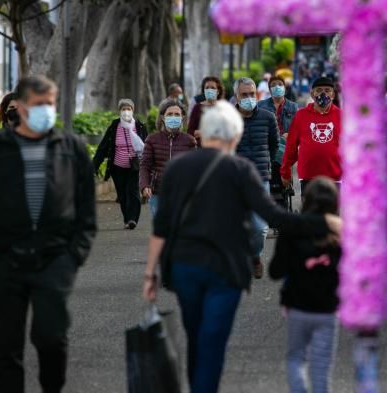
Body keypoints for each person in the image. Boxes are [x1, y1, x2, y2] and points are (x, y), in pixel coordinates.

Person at [142, 101, 341, 393]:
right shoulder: (240, 169)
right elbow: (274, 216)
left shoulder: (177, 169)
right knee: (214, 340)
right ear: (234, 136)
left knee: (195, 336)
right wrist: (324, 223)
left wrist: (150, 273)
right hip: (227, 268)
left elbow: (161, 227)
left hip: (185, 266)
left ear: (204, 132)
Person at [0, 75, 96, 393]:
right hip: (3, 262)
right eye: (39, 105)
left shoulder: (71, 147)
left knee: (52, 338)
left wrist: (74, 255)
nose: (46, 110)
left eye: (50, 104)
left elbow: (86, 210)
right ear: (19, 107)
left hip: (54, 260)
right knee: (6, 350)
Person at [268, 177, 341, 393]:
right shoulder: (340, 235)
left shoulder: (291, 232)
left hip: (297, 305)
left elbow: (275, 271)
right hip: (327, 309)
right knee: (322, 366)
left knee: (296, 358)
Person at [234, 77, 280, 279]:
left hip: (260, 178)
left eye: (252, 94)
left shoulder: (268, 117)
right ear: (236, 96)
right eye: (244, 95)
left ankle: (255, 257)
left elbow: (274, 144)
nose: (249, 98)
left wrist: (266, 163)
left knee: (260, 228)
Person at [92, 99, 148, 229]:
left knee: (133, 192)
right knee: (122, 194)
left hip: (135, 166)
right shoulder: (114, 126)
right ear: (119, 111)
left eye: (129, 109)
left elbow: (147, 146)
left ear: (133, 110)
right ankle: (127, 219)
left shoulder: (140, 126)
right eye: (123, 109)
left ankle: (133, 219)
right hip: (117, 167)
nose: (126, 112)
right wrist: (94, 166)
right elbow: (103, 147)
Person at [281, 77, 342, 195]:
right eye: (318, 90)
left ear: (333, 94)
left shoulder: (342, 116)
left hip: (335, 178)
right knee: (310, 212)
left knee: (333, 213)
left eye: (327, 90)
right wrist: (285, 172)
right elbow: (291, 147)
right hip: (308, 178)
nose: (323, 93)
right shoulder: (301, 116)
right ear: (312, 94)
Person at [140, 100, 197, 217]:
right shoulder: (152, 140)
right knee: (161, 230)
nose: (173, 117)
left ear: (182, 117)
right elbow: (145, 165)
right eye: (169, 114)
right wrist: (145, 185)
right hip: (157, 192)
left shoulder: (189, 141)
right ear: (162, 117)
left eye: (177, 114)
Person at [258, 76, 299, 205]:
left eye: (279, 84)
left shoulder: (293, 107)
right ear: (269, 89)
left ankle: (282, 190)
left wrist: (290, 135)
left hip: (285, 147)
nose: (277, 87)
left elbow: (297, 128)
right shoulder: (261, 105)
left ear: (284, 87)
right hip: (267, 145)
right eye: (273, 84)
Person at [187, 76, 225, 144]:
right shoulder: (197, 107)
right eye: (207, 88)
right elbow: (189, 131)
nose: (209, 90)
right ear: (204, 91)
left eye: (213, 88)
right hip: (200, 148)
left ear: (218, 91)